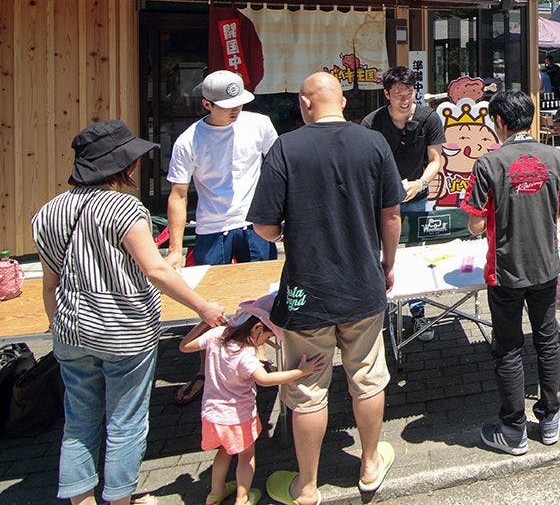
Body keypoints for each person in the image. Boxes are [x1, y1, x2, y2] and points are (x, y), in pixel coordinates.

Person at [32, 120, 226, 505]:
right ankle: (121, 499)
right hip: (123, 330)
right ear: (120, 165)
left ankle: (82, 500)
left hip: (70, 330)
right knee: (126, 422)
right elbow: (155, 270)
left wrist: (58, 329)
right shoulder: (124, 208)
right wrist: (203, 306)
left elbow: (50, 285)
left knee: (78, 422)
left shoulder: (48, 212)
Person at [247, 72, 404, 505]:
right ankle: (369, 465)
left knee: (307, 389)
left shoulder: (286, 147)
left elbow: (263, 226)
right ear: (344, 102)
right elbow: (392, 214)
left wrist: (290, 231)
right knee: (367, 378)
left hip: (306, 291)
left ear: (304, 103)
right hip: (363, 284)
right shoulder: (373, 143)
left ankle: (308, 484)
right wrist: (388, 265)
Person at [461, 90, 560, 455]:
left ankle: (513, 430)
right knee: (547, 340)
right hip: (545, 265)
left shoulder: (488, 163)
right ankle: (551, 419)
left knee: (508, 347)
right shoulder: (555, 156)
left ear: (499, 122)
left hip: (505, 269)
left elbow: (476, 224)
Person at [166, 69, 278, 405]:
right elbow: (178, 195)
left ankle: (257, 358)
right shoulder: (189, 140)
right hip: (211, 227)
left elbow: (278, 169)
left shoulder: (259, 124)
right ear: (206, 104)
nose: (236, 109)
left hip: (255, 223)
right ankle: (206, 368)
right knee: (210, 303)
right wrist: (174, 249)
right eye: (227, 105)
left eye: (239, 102)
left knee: (261, 297)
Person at [179, 296, 324, 505]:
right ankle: (242, 497)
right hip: (239, 417)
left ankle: (215, 493)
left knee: (223, 452)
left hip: (211, 415)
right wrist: (301, 372)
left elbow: (184, 346)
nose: (265, 342)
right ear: (257, 329)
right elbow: (264, 380)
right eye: (267, 336)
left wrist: (204, 321)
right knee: (246, 456)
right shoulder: (246, 354)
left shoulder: (216, 335)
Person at [361, 64, 446, 339]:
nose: (405, 98)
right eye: (398, 93)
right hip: (382, 202)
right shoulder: (372, 123)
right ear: (386, 94)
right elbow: (366, 165)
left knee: (417, 255)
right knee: (380, 253)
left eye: (409, 92)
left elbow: (436, 160)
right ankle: (383, 307)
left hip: (416, 197)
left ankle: (418, 313)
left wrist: (420, 183)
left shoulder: (428, 118)